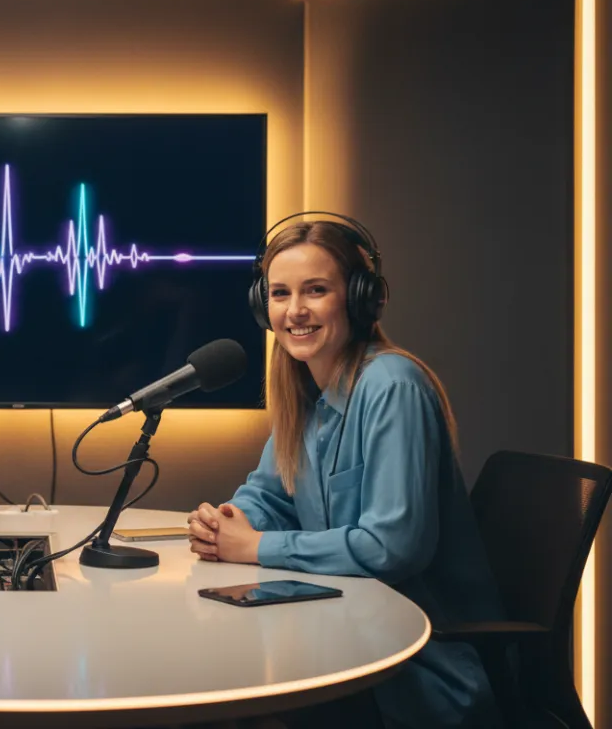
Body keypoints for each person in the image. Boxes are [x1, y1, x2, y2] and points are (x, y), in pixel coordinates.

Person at [188, 213, 502, 729]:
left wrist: (254, 547)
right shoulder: (309, 399)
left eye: (316, 290)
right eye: (281, 293)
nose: (296, 311)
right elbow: (269, 495)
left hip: (414, 674)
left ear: (360, 298)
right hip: (345, 641)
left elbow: (393, 545)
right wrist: (226, 522)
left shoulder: (392, 387)